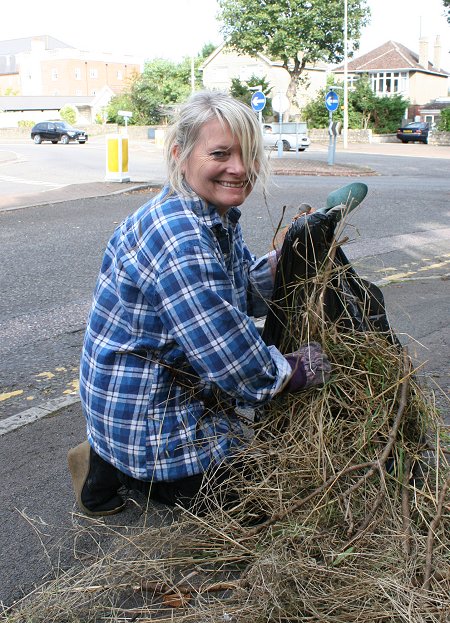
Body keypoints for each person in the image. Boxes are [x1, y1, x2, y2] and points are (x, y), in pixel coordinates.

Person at [67, 91, 331, 517]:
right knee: (267, 502)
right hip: (153, 417)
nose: (240, 169)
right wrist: (296, 369)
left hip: (125, 398)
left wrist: (286, 260)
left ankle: (105, 462)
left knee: (145, 431)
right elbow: (235, 365)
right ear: (180, 154)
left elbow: (237, 292)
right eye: (221, 153)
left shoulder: (205, 213)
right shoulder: (182, 238)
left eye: (249, 154)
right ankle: (137, 470)